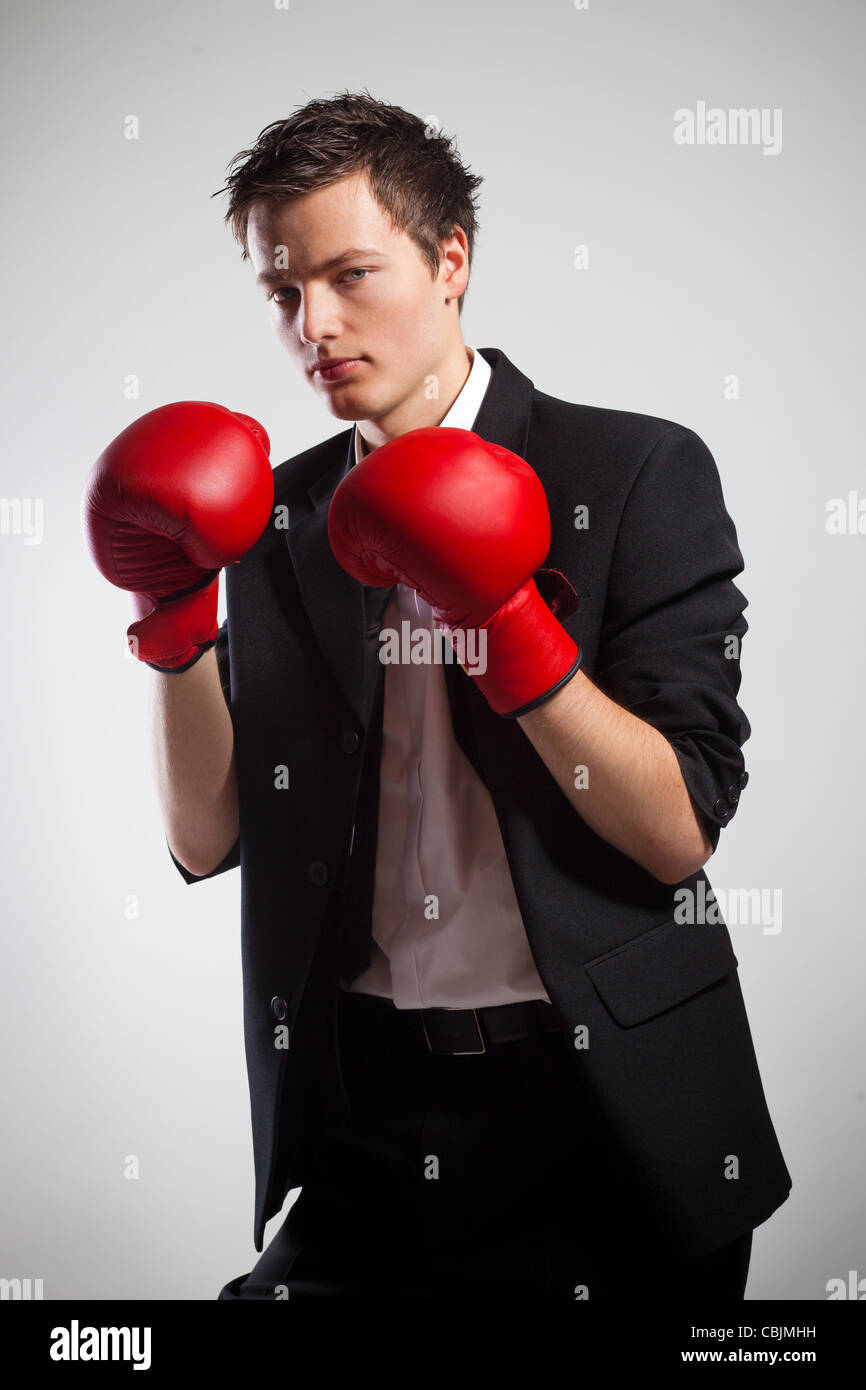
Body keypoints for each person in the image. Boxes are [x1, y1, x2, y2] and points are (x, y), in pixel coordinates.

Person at [83, 91, 791, 1300]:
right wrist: (170, 626)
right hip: (367, 1106)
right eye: (281, 289)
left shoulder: (630, 472)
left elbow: (677, 830)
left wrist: (502, 622)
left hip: (602, 1114)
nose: (313, 322)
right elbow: (207, 840)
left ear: (449, 260)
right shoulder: (269, 516)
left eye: (350, 274)